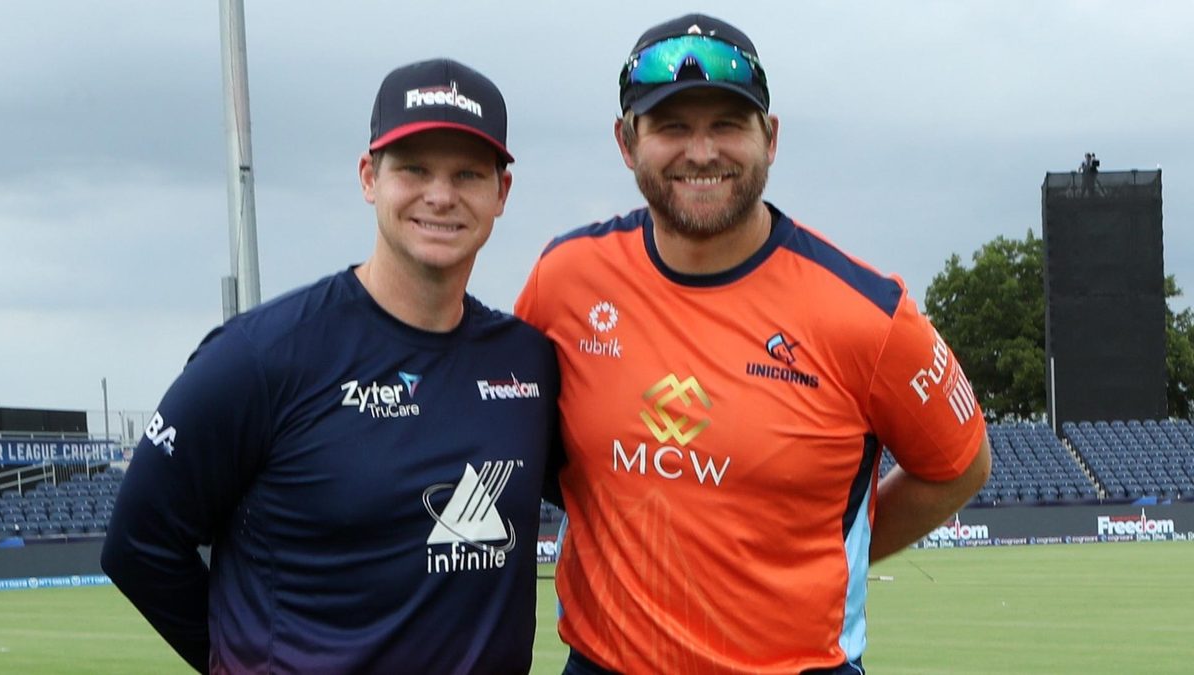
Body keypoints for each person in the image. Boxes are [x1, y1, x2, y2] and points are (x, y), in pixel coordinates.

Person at [515, 14, 991, 674]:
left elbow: (961, 466)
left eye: (727, 124)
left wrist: (823, 552)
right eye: (671, 126)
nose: (702, 152)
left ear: (770, 138)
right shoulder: (565, 278)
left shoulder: (868, 315)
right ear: (627, 142)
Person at [102, 58, 559, 675]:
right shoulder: (260, 357)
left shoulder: (527, 362)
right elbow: (137, 546)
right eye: (414, 169)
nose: (440, 195)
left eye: (468, 174)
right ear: (370, 177)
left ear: (501, 193)